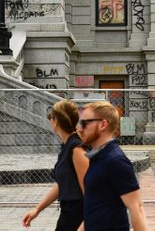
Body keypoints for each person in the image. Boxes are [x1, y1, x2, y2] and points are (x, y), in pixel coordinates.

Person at [76, 101, 149, 231]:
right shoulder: (99, 157)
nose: (79, 129)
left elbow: (136, 208)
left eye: (84, 123)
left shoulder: (115, 161)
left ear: (103, 124)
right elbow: (95, 208)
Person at [22, 99, 89, 231]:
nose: (49, 120)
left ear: (56, 120)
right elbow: (61, 183)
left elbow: (90, 192)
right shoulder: (67, 146)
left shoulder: (76, 149)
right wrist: (37, 209)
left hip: (78, 217)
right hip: (68, 214)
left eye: (50, 116)